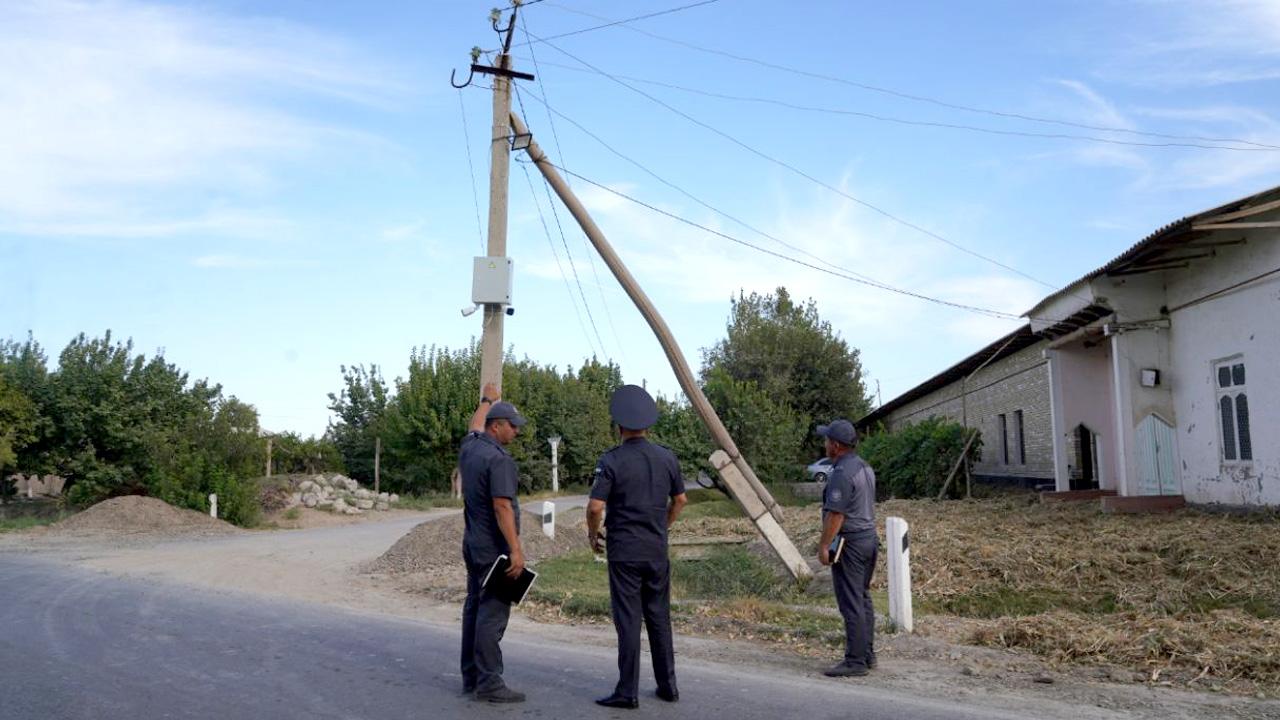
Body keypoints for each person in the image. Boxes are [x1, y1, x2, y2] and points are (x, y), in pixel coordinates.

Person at [587, 384, 689, 710]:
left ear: (619, 426)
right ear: (648, 424)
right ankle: (668, 686)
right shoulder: (667, 457)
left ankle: (626, 692)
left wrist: (593, 535)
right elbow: (681, 500)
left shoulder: (611, 460)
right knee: (659, 617)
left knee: (629, 620)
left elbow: (594, 507)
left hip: (625, 552)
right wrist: (663, 526)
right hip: (657, 550)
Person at [458, 382, 528, 703]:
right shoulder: (500, 461)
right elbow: (502, 506)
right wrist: (515, 548)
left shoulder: (471, 447)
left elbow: (475, 425)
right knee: (492, 612)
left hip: (472, 545)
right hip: (494, 551)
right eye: (512, 426)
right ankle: (489, 683)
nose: (516, 432)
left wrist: (487, 399)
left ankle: (471, 676)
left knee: (474, 607)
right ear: (496, 427)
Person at [815, 418, 879, 677]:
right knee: (862, 598)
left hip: (850, 544)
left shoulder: (842, 473)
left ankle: (855, 662)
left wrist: (823, 546)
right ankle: (867, 654)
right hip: (869, 539)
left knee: (851, 603)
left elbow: (836, 516)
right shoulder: (864, 467)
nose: (825, 444)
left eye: (827, 440)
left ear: (836, 445)